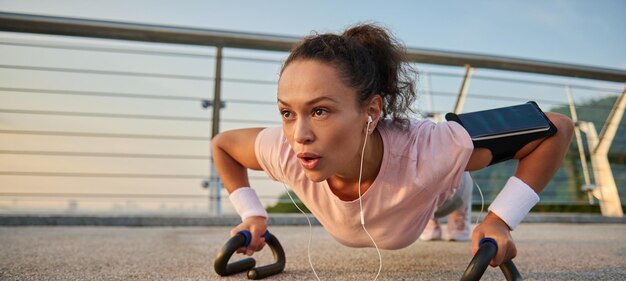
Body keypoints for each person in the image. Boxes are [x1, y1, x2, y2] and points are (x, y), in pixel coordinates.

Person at [212, 24, 573, 268]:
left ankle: (456, 203)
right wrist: (253, 215)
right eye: (287, 113)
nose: (299, 135)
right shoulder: (286, 148)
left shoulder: (430, 147)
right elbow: (223, 146)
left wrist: (501, 220)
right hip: (404, 204)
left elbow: (556, 127)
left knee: (455, 186)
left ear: (371, 111)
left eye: (320, 111)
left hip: (440, 191)